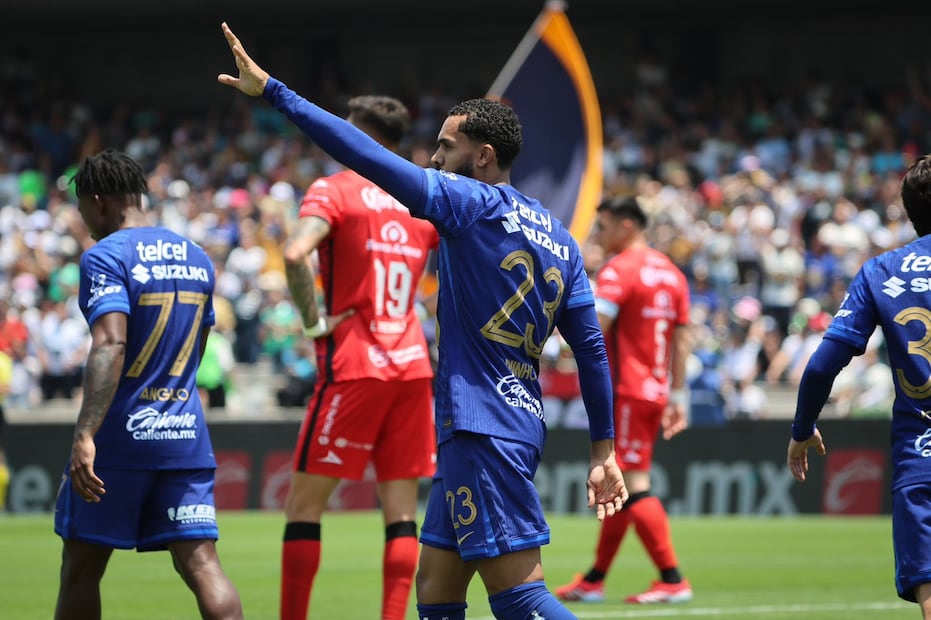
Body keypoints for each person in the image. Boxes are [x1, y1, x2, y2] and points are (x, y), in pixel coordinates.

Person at [218, 22, 627, 620]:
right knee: (436, 591)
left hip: (480, 426)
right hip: (509, 421)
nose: (434, 157)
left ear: (483, 156)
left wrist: (275, 92)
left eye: (445, 146)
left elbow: (363, 155)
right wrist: (603, 450)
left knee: (522, 598)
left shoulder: (468, 203)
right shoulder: (563, 239)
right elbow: (591, 350)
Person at [53, 149, 243, 620]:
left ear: (98, 201)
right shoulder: (197, 257)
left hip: (121, 438)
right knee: (202, 564)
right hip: (184, 436)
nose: (85, 222)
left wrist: (85, 434)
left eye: (82, 211)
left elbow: (110, 345)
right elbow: (199, 342)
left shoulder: (104, 256)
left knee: (81, 569)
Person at [278, 94, 439, 620]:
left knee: (304, 509)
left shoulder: (335, 190)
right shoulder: (422, 201)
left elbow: (294, 252)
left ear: (360, 136)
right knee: (401, 515)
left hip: (354, 366)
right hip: (413, 365)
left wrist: (311, 324)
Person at [787, 154, 931, 618]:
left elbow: (821, 366)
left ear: (909, 211)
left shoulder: (882, 271)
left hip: (922, 459)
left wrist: (803, 427)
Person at [556, 196, 692, 605]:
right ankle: (595, 579)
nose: (599, 234)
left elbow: (595, 328)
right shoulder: (672, 273)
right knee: (620, 482)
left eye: (604, 226)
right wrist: (678, 393)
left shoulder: (621, 269)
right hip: (654, 390)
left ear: (627, 226)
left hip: (627, 391)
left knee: (632, 483)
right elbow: (682, 341)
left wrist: (553, 347)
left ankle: (672, 579)